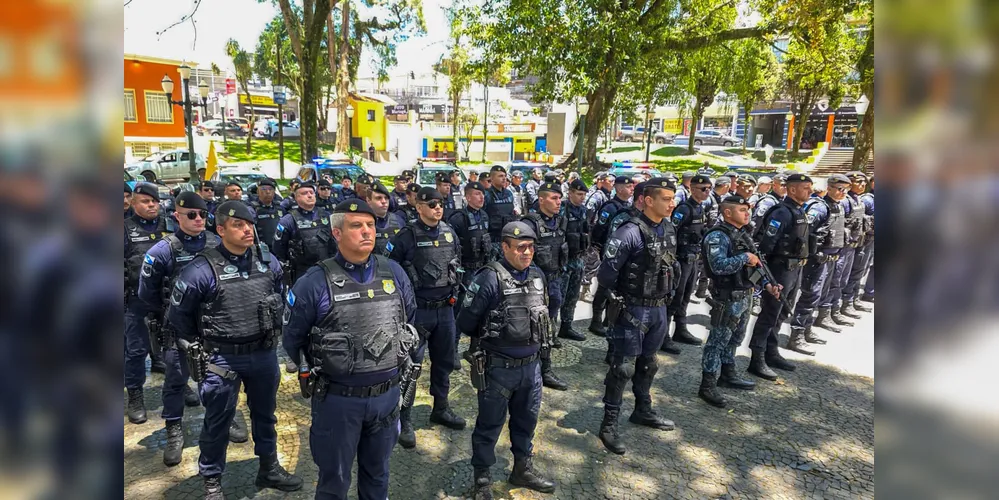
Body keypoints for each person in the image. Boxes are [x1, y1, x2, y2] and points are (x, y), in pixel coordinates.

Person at [282, 199, 419, 500]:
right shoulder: (314, 282)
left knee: (378, 475)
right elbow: (292, 339)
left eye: (370, 225)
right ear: (337, 233)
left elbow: (408, 317)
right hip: (339, 401)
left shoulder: (394, 272)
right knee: (334, 481)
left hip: (386, 396)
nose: (367, 231)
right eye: (356, 225)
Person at [167, 201, 302, 498]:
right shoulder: (201, 269)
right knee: (218, 421)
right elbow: (179, 319)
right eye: (238, 225)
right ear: (220, 229)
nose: (247, 230)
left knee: (266, 416)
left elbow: (281, 298)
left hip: (263, 353)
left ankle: (269, 468)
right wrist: (200, 348)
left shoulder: (268, 261)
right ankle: (212, 480)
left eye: (249, 224)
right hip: (221, 358)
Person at [457, 221, 557, 499]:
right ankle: (482, 479)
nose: (527, 253)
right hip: (498, 369)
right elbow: (465, 322)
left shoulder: (537, 275)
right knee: (489, 426)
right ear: (504, 247)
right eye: (521, 247)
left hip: (531, 369)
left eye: (531, 247)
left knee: (527, 423)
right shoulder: (489, 278)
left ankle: (522, 468)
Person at [137, 192, 237, 466]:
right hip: (179, 328)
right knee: (176, 379)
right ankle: (173, 428)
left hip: (214, 326)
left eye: (203, 214)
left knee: (221, 378)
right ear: (176, 216)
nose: (198, 219)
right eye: (191, 215)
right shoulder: (162, 250)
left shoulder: (217, 242)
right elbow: (147, 294)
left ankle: (225, 419)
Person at [595, 178, 679, 455]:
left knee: (649, 363)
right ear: (648, 201)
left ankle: (643, 409)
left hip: (659, 307)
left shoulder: (669, 228)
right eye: (666, 199)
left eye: (673, 198)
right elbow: (606, 274)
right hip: (633, 308)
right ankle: (609, 424)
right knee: (622, 368)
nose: (672, 204)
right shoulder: (628, 231)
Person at [388, 187, 465, 449]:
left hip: (445, 310)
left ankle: (441, 407)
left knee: (444, 362)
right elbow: (391, 270)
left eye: (440, 203)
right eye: (431, 204)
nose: (437, 208)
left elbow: (456, 263)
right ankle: (404, 417)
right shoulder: (406, 236)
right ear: (418, 207)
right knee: (411, 366)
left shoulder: (449, 232)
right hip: (418, 312)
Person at [697, 195, 779, 408]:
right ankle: (707, 385)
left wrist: (767, 284)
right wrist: (745, 258)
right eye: (742, 210)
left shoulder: (742, 233)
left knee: (735, 338)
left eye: (747, 209)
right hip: (727, 297)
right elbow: (717, 266)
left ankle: (728, 373)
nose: (747, 213)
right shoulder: (718, 235)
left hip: (745, 294)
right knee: (717, 342)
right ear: (727, 212)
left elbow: (755, 265)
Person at [747, 173, 812, 380]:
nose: (810, 191)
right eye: (805, 188)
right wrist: (768, 278)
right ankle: (757, 358)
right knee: (770, 313)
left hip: (795, 269)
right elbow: (767, 246)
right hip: (780, 269)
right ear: (792, 189)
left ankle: (771, 351)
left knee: (782, 312)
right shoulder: (781, 212)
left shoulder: (799, 210)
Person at [125, 183, 174, 424]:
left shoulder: (170, 226)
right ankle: (135, 394)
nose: (152, 205)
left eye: (154, 201)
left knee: (174, 348)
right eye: (145, 201)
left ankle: (178, 385)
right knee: (136, 350)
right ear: (133, 204)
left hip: (168, 300)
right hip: (136, 301)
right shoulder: (124, 229)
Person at [787, 174, 853, 354]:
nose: (843, 192)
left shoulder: (838, 206)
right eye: (840, 189)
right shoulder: (819, 207)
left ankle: (807, 329)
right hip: (817, 260)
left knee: (819, 296)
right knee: (810, 296)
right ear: (829, 188)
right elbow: (805, 232)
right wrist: (810, 255)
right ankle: (797, 335)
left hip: (831, 259)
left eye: (846, 189)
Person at [521, 182, 570, 391]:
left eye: (560, 198)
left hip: (555, 280)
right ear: (541, 200)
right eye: (554, 198)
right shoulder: (529, 223)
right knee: (532, 325)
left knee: (548, 325)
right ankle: (535, 367)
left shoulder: (561, 221)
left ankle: (544, 366)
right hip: (534, 284)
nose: (559, 202)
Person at [588, 181, 645, 337]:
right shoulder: (622, 214)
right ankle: (596, 320)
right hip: (615, 259)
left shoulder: (643, 216)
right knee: (604, 287)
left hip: (631, 263)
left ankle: (609, 319)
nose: (631, 189)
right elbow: (612, 239)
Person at [664, 174, 712, 353]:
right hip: (681, 260)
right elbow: (672, 232)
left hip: (693, 260)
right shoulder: (684, 208)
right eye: (703, 189)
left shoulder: (700, 208)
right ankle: (663, 335)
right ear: (692, 189)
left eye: (709, 189)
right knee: (675, 296)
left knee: (686, 296)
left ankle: (680, 329)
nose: (707, 192)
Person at [272, 181, 336, 285]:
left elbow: (335, 241)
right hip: (302, 271)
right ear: (297, 198)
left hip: (326, 268)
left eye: (311, 192)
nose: (309, 195)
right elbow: (278, 247)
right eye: (305, 193)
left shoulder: (326, 216)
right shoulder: (288, 220)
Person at [558, 179, 590, 341]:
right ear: (570, 193)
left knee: (572, 296)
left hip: (578, 258)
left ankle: (566, 326)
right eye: (579, 194)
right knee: (558, 297)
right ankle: (549, 330)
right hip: (563, 260)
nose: (582, 197)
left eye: (584, 194)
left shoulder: (584, 210)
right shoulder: (561, 208)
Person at [838, 171, 873, 317]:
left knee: (859, 271)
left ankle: (851, 300)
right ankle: (844, 302)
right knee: (845, 276)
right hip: (848, 244)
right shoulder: (846, 200)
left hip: (861, 240)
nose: (863, 184)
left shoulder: (858, 199)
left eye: (864, 182)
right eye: (858, 182)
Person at [483, 165, 519, 255]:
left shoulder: (509, 194)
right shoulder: (486, 194)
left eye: (504, 176)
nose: (504, 178)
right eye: (500, 176)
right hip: (492, 237)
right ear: (492, 178)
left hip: (507, 235)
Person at [368, 181, 407, 255]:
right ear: (369, 200)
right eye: (378, 198)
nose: (384, 201)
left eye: (386, 198)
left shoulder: (399, 220)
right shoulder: (363, 222)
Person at [251, 177, 284, 250]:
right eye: (264, 189)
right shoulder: (253, 209)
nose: (268, 192)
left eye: (270, 189)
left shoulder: (280, 207)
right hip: (262, 248)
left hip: (280, 246)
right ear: (258, 192)